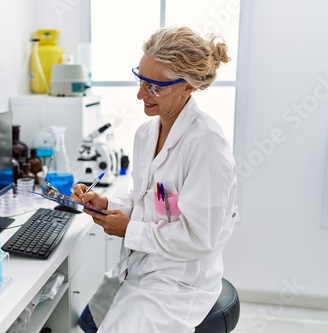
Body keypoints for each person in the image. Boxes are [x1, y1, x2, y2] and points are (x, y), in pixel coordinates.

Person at [71, 26, 239, 333]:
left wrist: (127, 229)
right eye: (140, 79)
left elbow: (198, 239)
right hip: (138, 267)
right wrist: (107, 202)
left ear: (187, 87)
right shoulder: (146, 134)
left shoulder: (207, 145)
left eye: (154, 87)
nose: (140, 94)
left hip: (177, 284)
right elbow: (148, 200)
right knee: (90, 322)